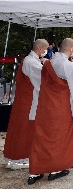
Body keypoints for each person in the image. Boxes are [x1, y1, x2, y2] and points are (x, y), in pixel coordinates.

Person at [28, 38, 73, 185]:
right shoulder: (68, 66)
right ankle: (56, 169)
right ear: (72, 49)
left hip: (44, 104)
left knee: (41, 136)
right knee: (60, 135)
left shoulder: (48, 62)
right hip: (60, 105)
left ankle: (35, 171)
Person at [4, 39, 48, 170]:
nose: (46, 52)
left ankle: (18, 157)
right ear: (40, 49)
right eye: (46, 49)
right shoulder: (31, 62)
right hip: (27, 101)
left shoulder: (30, 60)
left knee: (21, 129)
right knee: (23, 130)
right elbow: (44, 78)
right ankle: (19, 159)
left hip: (25, 99)